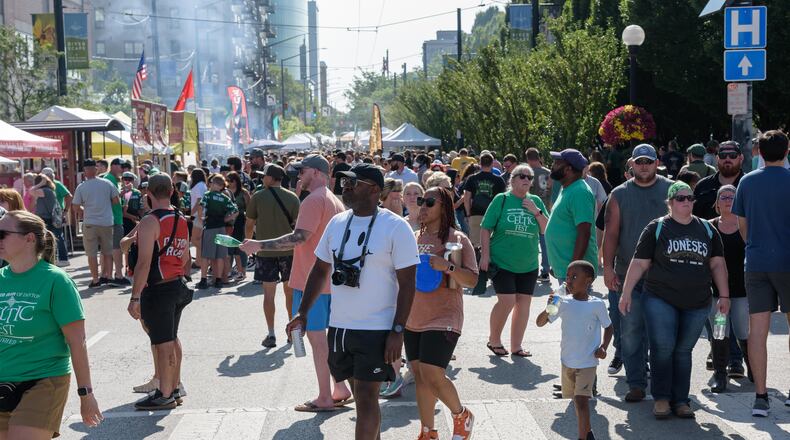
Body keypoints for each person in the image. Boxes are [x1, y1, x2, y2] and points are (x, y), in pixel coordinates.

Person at [286, 163, 419, 440]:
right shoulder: (337, 223)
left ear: (373, 189)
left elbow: (408, 285)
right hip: (340, 328)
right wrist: (302, 312)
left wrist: (397, 331)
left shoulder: (396, 227)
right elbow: (320, 269)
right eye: (344, 182)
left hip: (377, 329)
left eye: (352, 183)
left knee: (367, 398)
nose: (345, 187)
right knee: (360, 397)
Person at [240, 154, 353, 413]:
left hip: (312, 281)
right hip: (326, 281)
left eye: (302, 171)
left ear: (316, 172)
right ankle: (339, 388)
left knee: (317, 340)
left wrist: (259, 245)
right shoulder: (333, 200)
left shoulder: (314, 200)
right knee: (322, 339)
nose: (299, 175)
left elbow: (298, 237)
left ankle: (326, 396)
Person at [620, 181, 730, 419]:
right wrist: (626, 292)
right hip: (660, 297)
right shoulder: (657, 228)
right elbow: (640, 263)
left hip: (698, 301)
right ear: (669, 202)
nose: (686, 202)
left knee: (683, 351)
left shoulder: (707, 229)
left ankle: (680, 400)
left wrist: (724, 295)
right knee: (663, 347)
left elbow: (717, 263)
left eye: (690, 198)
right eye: (680, 198)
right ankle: (661, 398)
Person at [0, 210, 104, 437]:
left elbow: (78, 342)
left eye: (3, 234)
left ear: (29, 239)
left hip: (44, 381)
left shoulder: (56, 281)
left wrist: (86, 394)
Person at [602, 144, 672, 397]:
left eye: (648, 161)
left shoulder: (671, 190)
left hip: (666, 275)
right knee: (630, 332)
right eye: (639, 161)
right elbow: (611, 234)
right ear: (631, 163)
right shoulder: (619, 194)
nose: (644, 166)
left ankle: (666, 384)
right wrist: (607, 269)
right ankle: (636, 384)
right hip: (627, 273)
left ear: (657, 163)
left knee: (664, 334)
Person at [408, 186, 478, 440]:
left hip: (444, 316)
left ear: (444, 208)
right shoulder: (413, 237)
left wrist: (447, 265)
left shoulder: (455, 240)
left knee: (432, 373)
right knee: (419, 375)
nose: (423, 207)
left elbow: (470, 280)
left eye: (429, 202)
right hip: (413, 317)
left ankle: (461, 415)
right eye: (420, 202)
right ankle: (428, 431)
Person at [731, 130, 790, 417]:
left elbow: (742, 225)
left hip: (755, 262)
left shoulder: (747, 182)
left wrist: (755, 246)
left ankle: (761, 396)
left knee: (757, 331)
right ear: (787, 151)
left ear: (759, 153)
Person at [125, 174, 192, 410]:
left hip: (159, 288)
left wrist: (135, 297)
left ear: (148, 194)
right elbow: (186, 258)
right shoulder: (180, 218)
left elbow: (143, 263)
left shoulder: (149, 221)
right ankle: (173, 387)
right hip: (177, 284)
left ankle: (164, 394)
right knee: (171, 337)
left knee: (162, 342)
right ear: (172, 191)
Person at [537, 260, 612, 440]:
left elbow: (609, 327)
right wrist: (549, 306)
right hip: (567, 361)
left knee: (581, 401)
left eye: (574, 277)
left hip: (587, 362)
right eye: (568, 276)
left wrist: (603, 347)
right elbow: (540, 323)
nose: (568, 281)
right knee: (575, 400)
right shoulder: (563, 302)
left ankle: (583, 437)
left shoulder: (597, 304)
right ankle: (588, 433)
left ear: (588, 281)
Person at [480, 165, 547, 357]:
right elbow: (485, 228)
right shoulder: (502, 199)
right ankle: (494, 340)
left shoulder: (535, 201)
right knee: (507, 301)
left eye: (530, 177)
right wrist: (485, 256)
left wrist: (536, 211)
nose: (526, 179)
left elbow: (546, 230)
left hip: (529, 263)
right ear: (513, 179)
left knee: (523, 304)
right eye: (522, 176)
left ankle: (517, 346)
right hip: (502, 261)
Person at [246, 164, 299, 347]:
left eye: (264, 176)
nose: (262, 179)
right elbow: (298, 228)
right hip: (289, 251)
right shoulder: (293, 198)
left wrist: (248, 244)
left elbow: (249, 224)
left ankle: (271, 334)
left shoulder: (258, 197)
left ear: (271, 178)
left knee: (269, 294)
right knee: (290, 293)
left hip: (265, 251)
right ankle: (293, 333)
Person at [708, 185, 751, 393]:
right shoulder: (708, 227)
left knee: (744, 331)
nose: (728, 199)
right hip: (717, 294)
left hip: (743, 291)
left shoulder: (748, 225)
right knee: (719, 333)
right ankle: (720, 374)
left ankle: (752, 365)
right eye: (723, 196)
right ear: (716, 203)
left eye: (732, 196)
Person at [545, 149, 597, 283]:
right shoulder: (568, 188)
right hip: (565, 269)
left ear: (568, 169)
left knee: (572, 304)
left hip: (574, 273)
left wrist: (574, 267)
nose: (552, 166)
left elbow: (584, 232)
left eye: (557, 163)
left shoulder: (580, 191)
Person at [72, 159, 121, 288]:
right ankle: (109, 276)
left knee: (91, 253)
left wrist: (83, 210)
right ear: (96, 169)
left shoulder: (81, 187)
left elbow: (75, 206)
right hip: (106, 221)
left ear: (84, 172)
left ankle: (95, 279)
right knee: (107, 251)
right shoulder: (107, 183)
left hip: (90, 223)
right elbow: (116, 201)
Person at [464, 153, 506, 295]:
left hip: (476, 213)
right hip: (493, 215)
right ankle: (494, 275)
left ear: (479, 163)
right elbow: (502, 200)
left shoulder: (472, 178)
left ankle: (477, 275)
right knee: (492, 245)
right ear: (493, 163)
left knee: (476, 245)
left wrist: (468, 213)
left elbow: (467, 197)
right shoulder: (498, 180)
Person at [196, 174, 238, 289]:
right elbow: (235, 211)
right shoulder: (225, 198)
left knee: (206, 255)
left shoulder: (208, 195)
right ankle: (218, 280)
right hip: (221, 227)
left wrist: (201, 218)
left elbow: (201, 206)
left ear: (214, 184)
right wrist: (226, 219)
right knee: (220, 256)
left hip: (210, 227)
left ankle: (203, 280)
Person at [693, 141, 744, 220]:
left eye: (732, 155)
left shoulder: (750, 185)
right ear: (717, 159)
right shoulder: (702, 186)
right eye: (722, 155)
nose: (727, 159)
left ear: (741, 158)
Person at [525, 148, 552, 281]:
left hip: (531, 210)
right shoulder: (549, 173)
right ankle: (546, 269)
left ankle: (531, 268)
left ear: (528, 159)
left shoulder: (528, 174)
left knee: (531, 242)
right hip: (546, 209)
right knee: (544, 242)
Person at [104, 158, 129, 286]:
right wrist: (122, 193)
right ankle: (118, 275)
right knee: (116, 247)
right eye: (121, 166)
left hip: (114, 218)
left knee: (112, 248)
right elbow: (111, 198)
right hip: (114, 218)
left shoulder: (112, 179)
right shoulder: (109, 179)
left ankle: (109, 275)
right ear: (113, 166)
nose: (122, 169)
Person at [41, 167, 71, 267]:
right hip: (50, 215)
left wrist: (65, 210)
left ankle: (63, 258)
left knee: (58, 236)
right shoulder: (45, 186)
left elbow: (68, 196)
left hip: (56, 214)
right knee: (52, 236)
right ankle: (56, 258)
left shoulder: (57, 184)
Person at [226, 172, 251, 282]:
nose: (228, 183)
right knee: (229, 247)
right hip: (229, 222)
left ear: (235, 181)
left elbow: (249, 208)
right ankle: (229, 271)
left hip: (241, 221)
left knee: (240, 247)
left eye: (229, 181)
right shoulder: (226, 192)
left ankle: (243, 271)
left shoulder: (243, 193)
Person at [189, 168, 208, 267]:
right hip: (200, 214)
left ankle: (206, 256)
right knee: (198, 239)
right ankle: (198, 261)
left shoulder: (199, 185)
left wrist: (191, 213)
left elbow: (199, 201)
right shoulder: (202, 185)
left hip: (199, 215)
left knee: (194, 240)